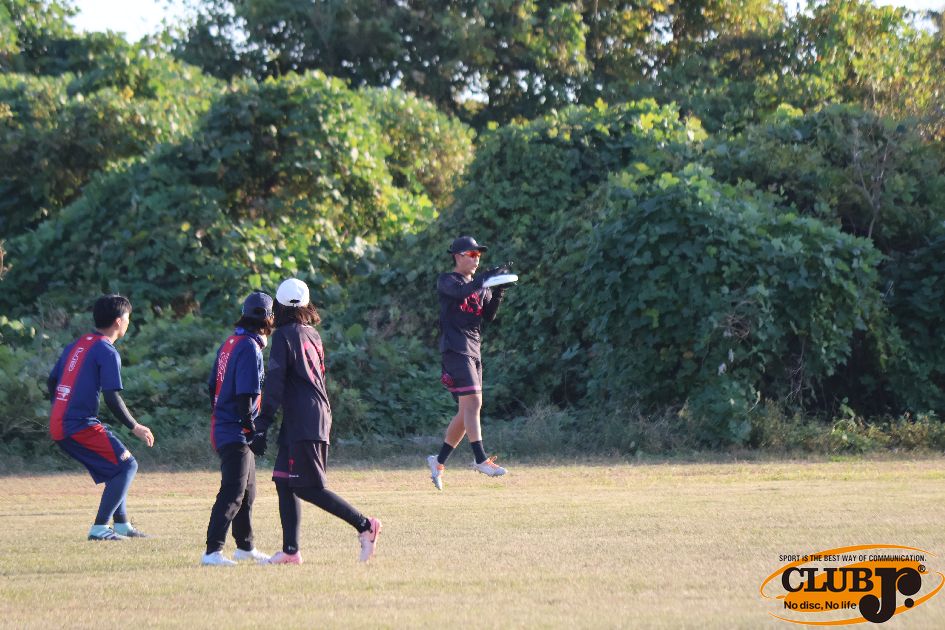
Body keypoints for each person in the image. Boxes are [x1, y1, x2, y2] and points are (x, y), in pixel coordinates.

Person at [252, 278, 381, 564]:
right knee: (283, 481)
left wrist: (261, 424)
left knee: (307, 486)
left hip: (305, 417)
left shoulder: (283, 336)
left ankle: (365, 525)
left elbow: (275, 383)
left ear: (279, 306)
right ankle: (290, 552)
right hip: (308, 414)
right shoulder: (312, 334)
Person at [47, 294, 155, 541]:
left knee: (115, 468)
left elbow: (52, 381)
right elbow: (112, 397)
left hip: (62, 422)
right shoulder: (106, 351)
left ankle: (122, 525)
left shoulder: (78, 344)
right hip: (77, 424)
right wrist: (135, 426)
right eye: (128, 317)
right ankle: (99, 528)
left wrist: (60, 407)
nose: (129, 322)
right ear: (118, 321)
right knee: (127, 465)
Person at [427, 235, 512, 491]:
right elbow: (461, 292)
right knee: (474, 403)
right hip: (455, 349)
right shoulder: (447, 280)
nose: (476, 259)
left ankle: (438, 461)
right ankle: (480, 459)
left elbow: (489, 315)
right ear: (457, 256)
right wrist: (485, 278)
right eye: (472, 254)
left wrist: (498, 289)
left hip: (474, 350)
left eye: (479, 255)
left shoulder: (479, 285)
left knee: (466, 411)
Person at [201, 291, 274, 566]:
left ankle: (245, 547)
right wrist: (251, 430)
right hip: (235, 430)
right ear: (267, 318)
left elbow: (212, 386)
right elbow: (246, 394)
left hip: (225, 425)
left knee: (248, 491)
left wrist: (222, 415)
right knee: (233, 492)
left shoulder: (231, 342)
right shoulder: (249, 347)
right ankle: (212, 552)